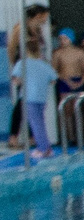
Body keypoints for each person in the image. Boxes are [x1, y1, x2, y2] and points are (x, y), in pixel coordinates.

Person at [7, 3, 48, 150]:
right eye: (45, 16)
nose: (45, 20)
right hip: (25, 71)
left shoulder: (36, 29)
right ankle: (13, 137)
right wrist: (17, 70)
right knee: (23, 103)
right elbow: (12, 50)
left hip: (36, 71)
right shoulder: (20, 29)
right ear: (38, 15)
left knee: (35, 102)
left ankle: (32, 137)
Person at [12, 27, 53, 156]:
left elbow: (16, 81)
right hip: (41, 97)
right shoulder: (44, 64)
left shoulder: (22, 64)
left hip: (28, 97)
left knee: (35, 124)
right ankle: (46, 147)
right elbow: (53, 80)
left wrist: (26, 80)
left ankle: (43, 149)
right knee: (40, 122)